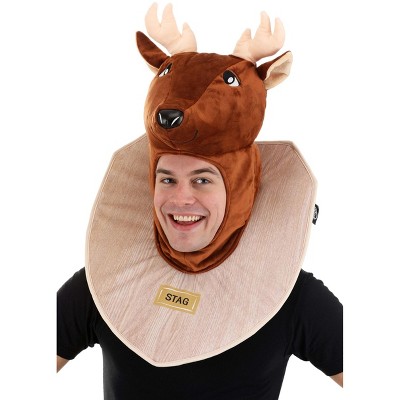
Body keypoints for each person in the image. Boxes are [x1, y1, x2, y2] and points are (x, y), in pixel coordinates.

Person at [57, 4, 343, 398]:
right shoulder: (106, 283)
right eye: (167, 178)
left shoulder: (294, 299)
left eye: (203, 180)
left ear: (239, 188)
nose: (181, 198)